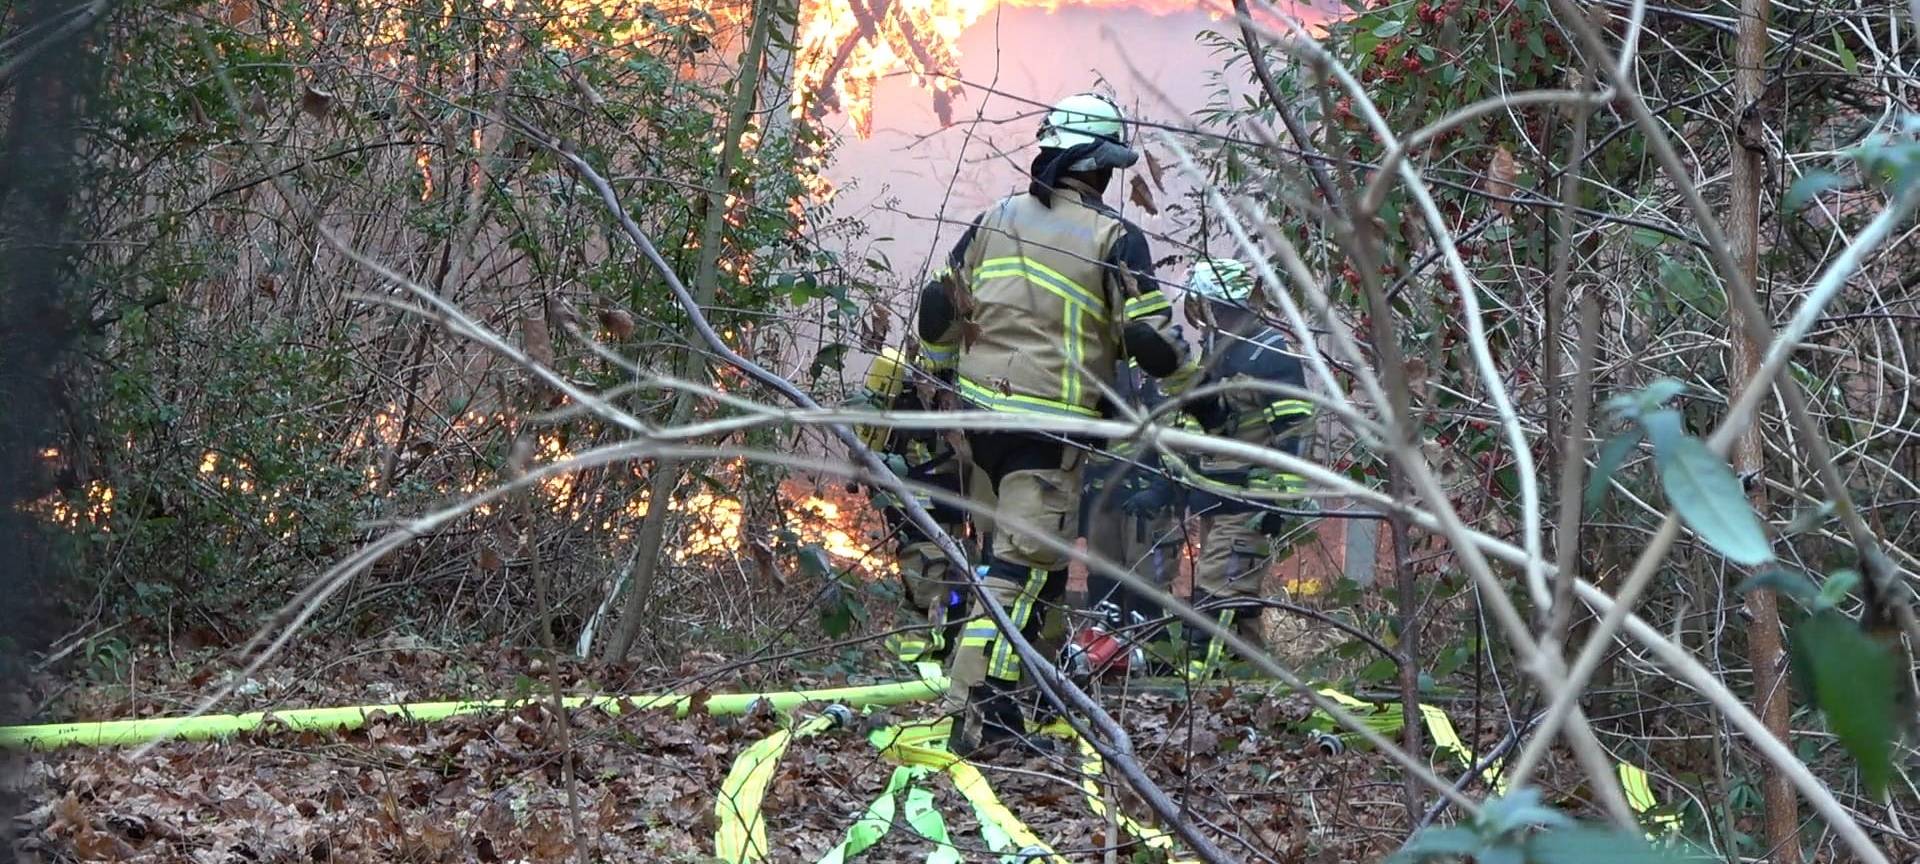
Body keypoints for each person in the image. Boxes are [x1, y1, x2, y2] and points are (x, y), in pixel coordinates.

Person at [915, 91, 1195, 755]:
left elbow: (937, 306)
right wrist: (1192, 384)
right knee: (1018, 572)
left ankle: (1018, 700)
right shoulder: (1113, 238)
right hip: (1048, 432)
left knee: (1010, 564)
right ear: (1097, 166)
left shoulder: (993, 219)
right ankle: (977, 719)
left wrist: (942, 373)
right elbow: (1151, 342)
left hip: (979, 424)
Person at [1174, 258, 1316, 681]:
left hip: (1249, 502)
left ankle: (1195, 688)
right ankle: (1253, 685)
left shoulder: (1267, 353)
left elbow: (1295, 431)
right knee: (1240, 599)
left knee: (1218, 594)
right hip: (1216, 498)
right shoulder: (1217, 351)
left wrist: (1277, 502)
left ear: (1218, 303)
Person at [854, 346, 970, 665]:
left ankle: (920, 651)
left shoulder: (919, 384)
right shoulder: (938, 395)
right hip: (929, 498)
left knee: (931, 577)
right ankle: (920, 660)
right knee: (933, 580)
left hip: (918, 494)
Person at [1078, 367, 1184, 671]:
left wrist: (1159, 492)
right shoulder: (1094, 395)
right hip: (1103, 504)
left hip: (1145, 509)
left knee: (1146, 585)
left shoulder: (1155, 397)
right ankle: (1104, 655)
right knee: (1102, 582)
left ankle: (1154, 659)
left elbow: (1179, 454)